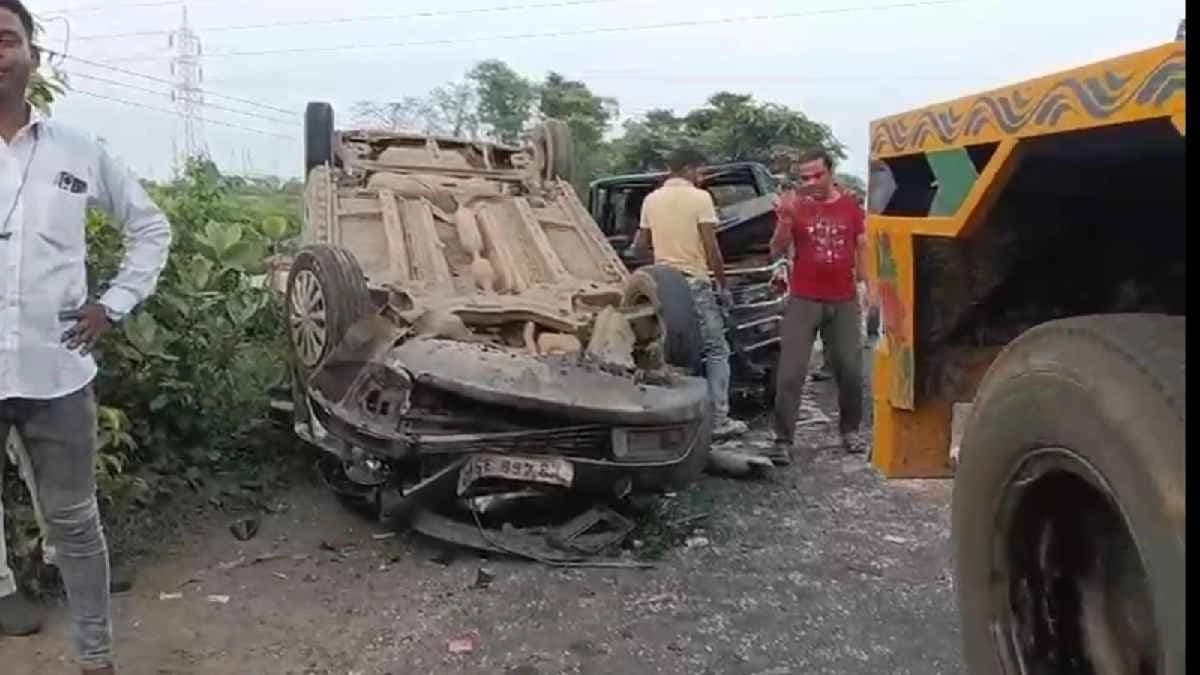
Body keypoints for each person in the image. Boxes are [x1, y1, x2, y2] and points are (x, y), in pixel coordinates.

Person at [0, 1, 173, 671]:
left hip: (58, 376)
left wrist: (116, 301)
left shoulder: (78, 151)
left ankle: (95, 657)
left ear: (32, 59)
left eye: (9, 38)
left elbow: (150, 227)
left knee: (75, 525)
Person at [632, 147, 748, 439]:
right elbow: (712, 249)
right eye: (700, 171)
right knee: (716, 348)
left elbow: (638, 247)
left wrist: (656, 266)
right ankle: (719, 418)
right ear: (688, 169)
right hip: (694, 284)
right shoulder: (700, 198)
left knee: (670, 352)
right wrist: (722, 286)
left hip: (662, 287)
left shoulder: (651, 199)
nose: (702, 177)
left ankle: (675, 417)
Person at [768, 149, 869, 465]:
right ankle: (783, 440)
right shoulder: (795, 207)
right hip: (804, 299)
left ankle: (850, 431)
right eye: (805, 177)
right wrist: (784, 219)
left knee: (850, 370)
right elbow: (776, 249)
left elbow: (862, 246)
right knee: (790, 373)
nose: (811, 182)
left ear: (831, 172)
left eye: (817, 175)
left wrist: (866, 286)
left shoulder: (851, 205)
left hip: (843, 299)